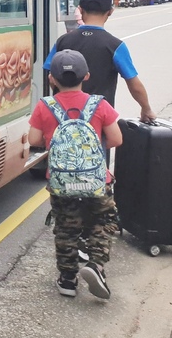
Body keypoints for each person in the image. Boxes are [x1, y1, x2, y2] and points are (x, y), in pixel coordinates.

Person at [28, 49, 122, 299]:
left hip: (61, 182)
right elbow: (116, 139)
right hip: (97, 180)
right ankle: (96, 265)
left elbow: (34, 140)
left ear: (52, 79)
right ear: (87, 76)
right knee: (104, 220)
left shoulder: (44, 106)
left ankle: (67, 280)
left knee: (66, 227)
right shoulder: (99, 104)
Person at [44, 0, 157, 122]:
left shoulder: (63, 41)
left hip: (62, 118)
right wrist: (146, 108)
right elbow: (134, 84)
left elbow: (50, 75)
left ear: (80, 10)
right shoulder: (115, 45)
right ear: (110, 12)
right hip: (99, 120)